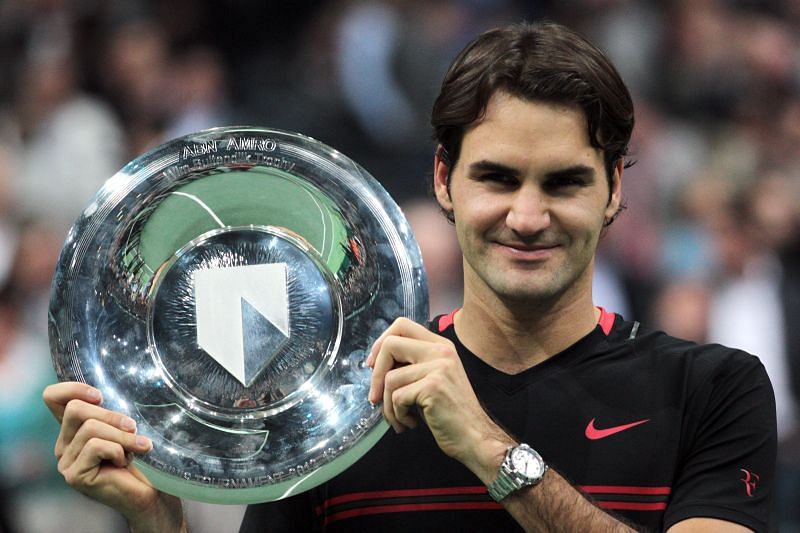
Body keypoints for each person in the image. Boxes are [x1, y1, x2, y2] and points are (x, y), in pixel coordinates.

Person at [43, 21, 776, 532]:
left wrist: (490, 450)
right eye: (496, 177)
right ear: (443, 180)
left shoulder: (714, 388)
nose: (526, 215)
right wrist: (157, 527)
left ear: (615, 188)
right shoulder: (337, 404)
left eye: (563, 182)